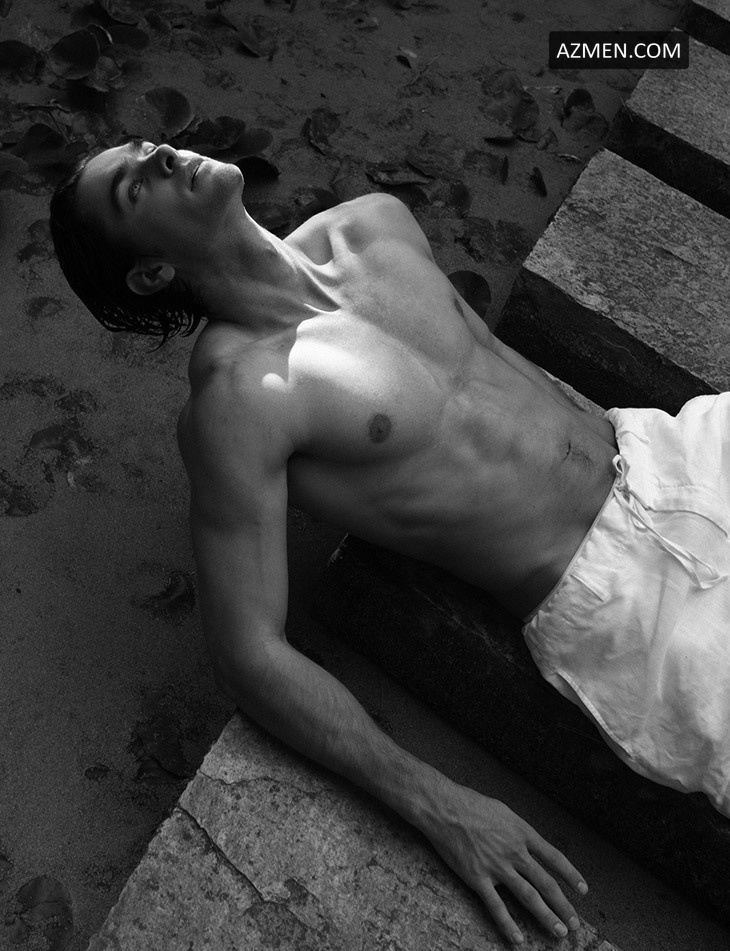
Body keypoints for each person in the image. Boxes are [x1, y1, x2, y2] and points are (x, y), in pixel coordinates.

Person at [49, 140, 730, 943]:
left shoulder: (371, 225)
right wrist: (441, 804)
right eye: (134, 187)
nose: (162, 156)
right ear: (151, 274)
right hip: (627, 599)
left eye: (145, 146)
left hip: (669, 450)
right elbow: (247, 653)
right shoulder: (241, 398)